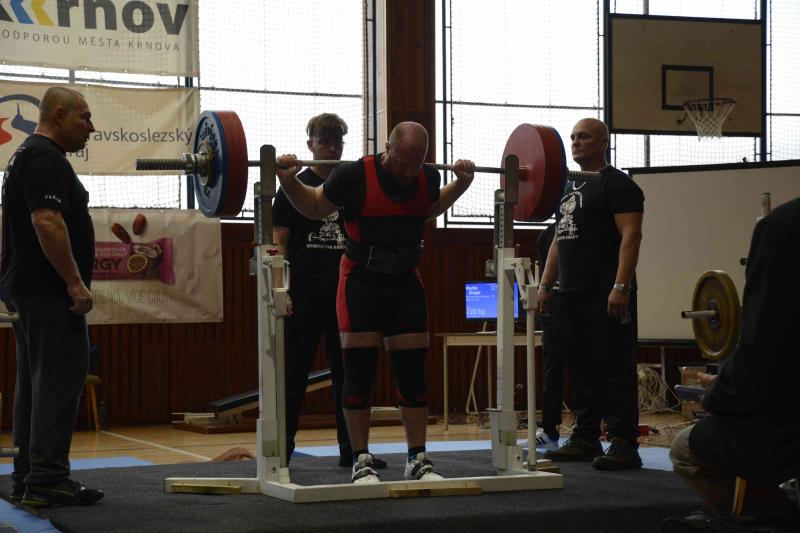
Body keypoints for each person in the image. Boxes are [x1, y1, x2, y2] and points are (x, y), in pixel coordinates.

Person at [276, 121, 474, 484]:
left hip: (405, 281)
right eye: (402, 164)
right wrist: (288, 182)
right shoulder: (352, 176)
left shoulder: (427, 177)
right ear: (387, 147)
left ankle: (417, 459)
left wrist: (460, 184)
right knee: (357, 373)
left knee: (413, 374)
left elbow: (430, 208)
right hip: (360, 282)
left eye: (415, 165)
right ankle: (360, 459)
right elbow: (315, 207)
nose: (408, 172)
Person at [668, 197, 800, 527]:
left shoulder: (784, 226)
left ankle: (773, 517)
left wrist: (720, 395)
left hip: (789, 425)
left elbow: (765, 345)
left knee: (684, 448)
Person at [0, 87, 103, 506]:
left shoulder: (25, 154)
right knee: (60, 379)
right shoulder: (46, 158)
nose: (91, 128)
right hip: (46, 290)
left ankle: (28, 476)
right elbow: (46, 221)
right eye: (84, 118)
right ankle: (47, 478)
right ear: (58, 115)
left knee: (35, 383)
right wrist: (74, 283)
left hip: (27, 287)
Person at [272, 113, 384, 469]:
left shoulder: (348, 187)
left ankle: (352, 451)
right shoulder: (292, 187)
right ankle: (281, 452)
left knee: (348, 377)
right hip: (303, 296)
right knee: (292, 377)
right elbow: (278, 243)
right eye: (324, 142)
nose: (332, 148)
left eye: (337, 142)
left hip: (346, 296)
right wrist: (282, 290)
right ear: (311, 145)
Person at [537, 117, 644, 470]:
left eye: (583, 137)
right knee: (581, 367)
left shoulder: (619, 185)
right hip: (570, 292)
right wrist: (546, 285)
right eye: (572, 137)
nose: (575, 142)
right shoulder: (568, 186)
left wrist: (620, 286)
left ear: (602, 142)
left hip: (606, 292)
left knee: (615, 366)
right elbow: (559, 238)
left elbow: (631, 236)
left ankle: (624, 442)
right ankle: (585, 437)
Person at [534, 222, 566, 451]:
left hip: (582, 303)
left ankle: (587, 432)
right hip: (554, 307)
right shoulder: (547, 235)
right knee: (551, 370)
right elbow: (546, 266)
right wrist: (544, 291)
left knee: (584, 370)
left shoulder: (589, 226)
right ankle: (549, 431)